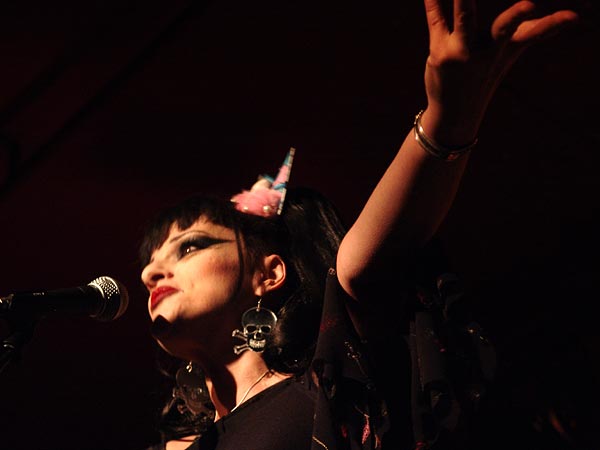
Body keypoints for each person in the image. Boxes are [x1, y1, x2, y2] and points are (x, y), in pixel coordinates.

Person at [139, 1, 580, 449]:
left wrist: (448, 118)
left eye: (189, 246)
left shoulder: (326, 391)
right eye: (150, 264)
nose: (149, 274)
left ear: (268, 273)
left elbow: (359, 266)